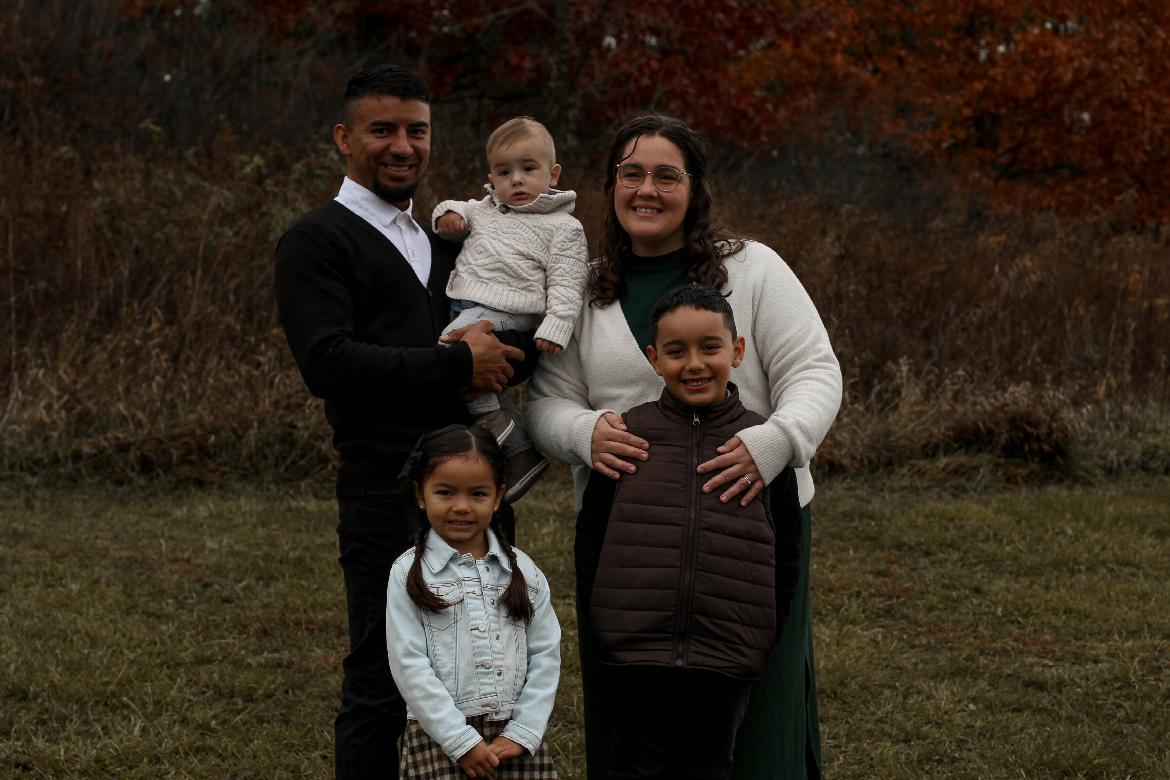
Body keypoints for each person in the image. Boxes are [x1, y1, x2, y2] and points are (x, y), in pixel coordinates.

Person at [525, 113, 843, 779]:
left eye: (667, 175)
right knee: (635, 721)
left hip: (749, 532)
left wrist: (776, 442)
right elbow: (545, 401)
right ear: (611, 185)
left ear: (694, 188)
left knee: (756, 713)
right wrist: (583, 432)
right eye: (631, 174)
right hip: (632, 542)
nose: (647, 189)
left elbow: (815, 372)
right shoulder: (583, 287)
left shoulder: (752, 268)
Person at [274, 64, 537, 779]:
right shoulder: (316, 240)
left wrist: (505, 352)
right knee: (382, 680)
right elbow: (327, 361)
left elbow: (505, 332)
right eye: (381, 130)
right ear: (344, 137)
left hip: (479, 490)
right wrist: (455, 365)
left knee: (486, 676)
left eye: (416, 131)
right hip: (384, 490)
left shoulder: (448, 238)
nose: (402, 146)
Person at [577, 284, 802, 779]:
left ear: (736, 351)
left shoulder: (761, 446)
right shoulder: (627, 437)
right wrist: (606, 624)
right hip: (634, 651)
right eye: (676, 351)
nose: (694, 364)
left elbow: (787, 552)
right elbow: (591, 540)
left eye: (710, 347)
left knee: (709, 766)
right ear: (654, 360)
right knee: (633, 767)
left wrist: (762, 632)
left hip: (724, 654)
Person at [386, 424, 561, 779]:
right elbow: (409, 663)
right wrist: (459, 739)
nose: (462, 507)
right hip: (439, 737)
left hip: (512, 738)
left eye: (478, 494)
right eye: (445, 492)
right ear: (421, 494)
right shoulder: (407, 573)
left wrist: (523, 730)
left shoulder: (523, 570)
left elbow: (545, 652)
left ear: (498, 497)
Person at [432, 116, 589, 503]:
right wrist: (447, 217)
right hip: (467, 305)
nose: (516, 180)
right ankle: (517, 450)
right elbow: (454, 207)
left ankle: (503, 433)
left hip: (509, 309)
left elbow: (568, 282)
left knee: (450, 353)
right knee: (470, 374)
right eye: (504, 172)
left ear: (553, 174)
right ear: (491, 178)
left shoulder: (563, 227)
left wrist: (555, 326)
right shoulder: (485, 208)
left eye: (528, 169)